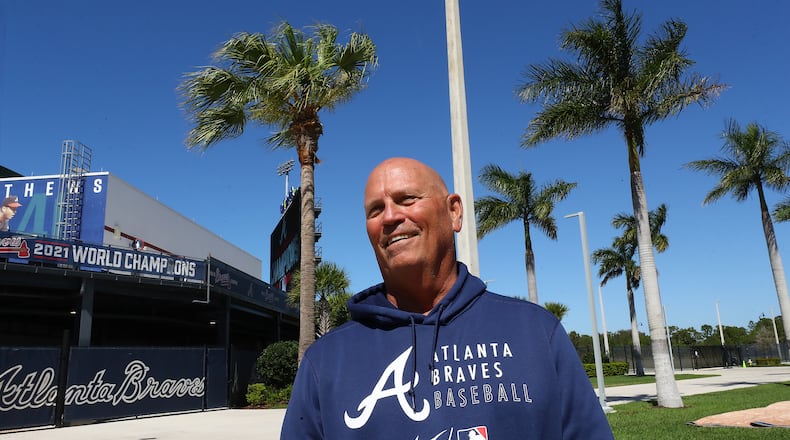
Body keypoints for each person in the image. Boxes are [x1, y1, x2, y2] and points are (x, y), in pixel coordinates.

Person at [280, 157, 614, 439]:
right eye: (375, 210)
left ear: (454, 212)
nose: (391, 217)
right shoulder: (325, 362)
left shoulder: (536, 332)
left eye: (407, 199)